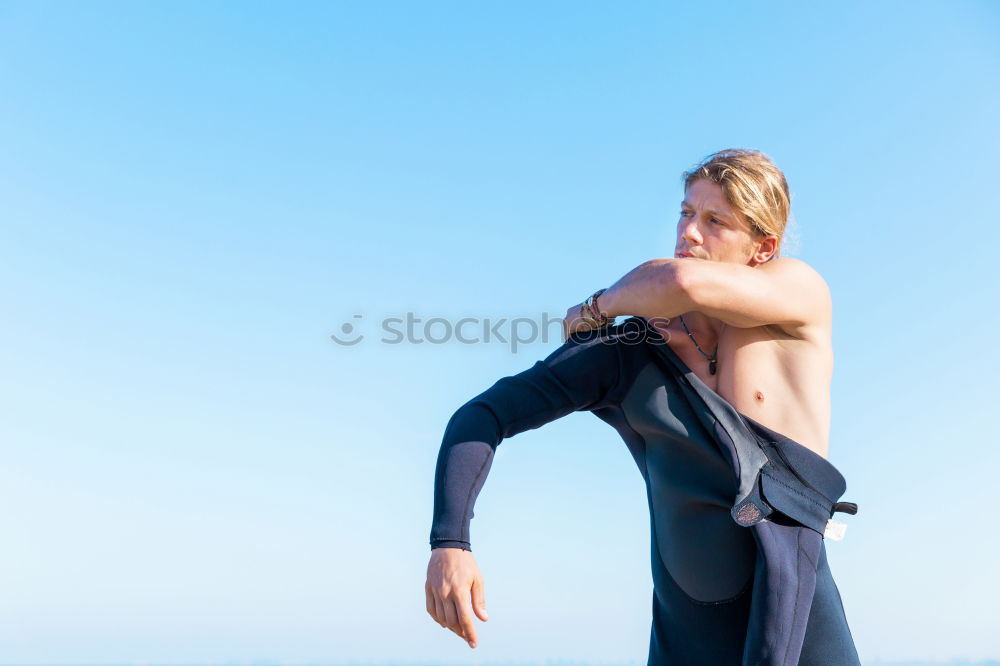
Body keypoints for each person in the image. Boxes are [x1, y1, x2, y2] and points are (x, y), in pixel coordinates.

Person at [424, 149, 861, 665]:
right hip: (685, 638)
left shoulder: (797, 301)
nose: (689, 233)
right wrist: (449, 541)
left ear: (763, 248)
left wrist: (597, 307)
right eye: (686, 213)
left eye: (715, 221)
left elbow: (678, 282)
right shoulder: (630, 354)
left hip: (797, 618)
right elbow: (483, 415)